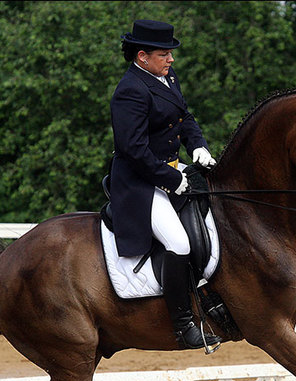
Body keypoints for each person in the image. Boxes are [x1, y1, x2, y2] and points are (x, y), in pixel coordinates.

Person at [110, 19, 221, 350]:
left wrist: (198, 145)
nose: (171, 60)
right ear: (142, 56)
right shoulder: (129, 90)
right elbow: (133, 150)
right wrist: (172, 179)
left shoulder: (165, 77)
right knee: (178, 243)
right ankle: (184, 325)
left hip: (173, 170)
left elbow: (184, 117)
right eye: (164, 54)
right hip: (142, 182)